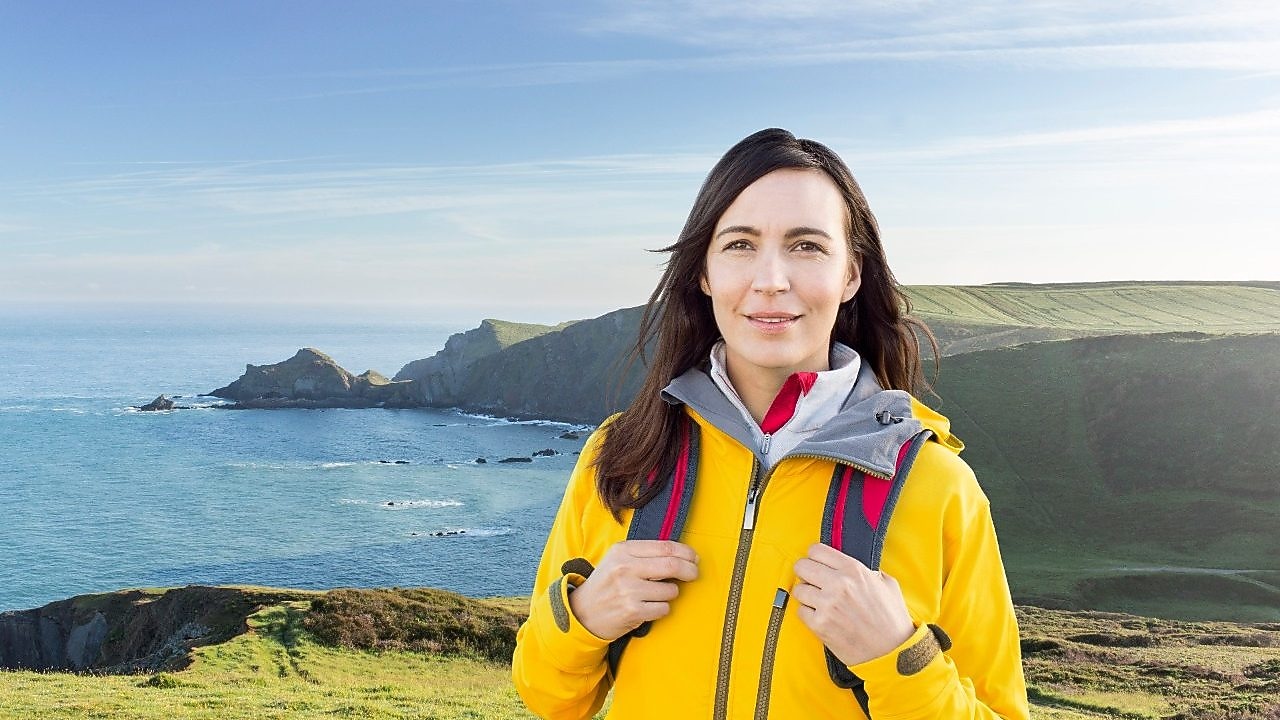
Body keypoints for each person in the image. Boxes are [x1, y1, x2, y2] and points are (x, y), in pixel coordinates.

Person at [512, 128, 1029, 719]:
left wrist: (898, 658)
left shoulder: (939, 485)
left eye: (807, 246)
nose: (771, 280)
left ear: (851, 275)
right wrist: (582, 619)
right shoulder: (624, 452)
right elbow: (547, 697)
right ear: (704, 273)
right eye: (739, 244)